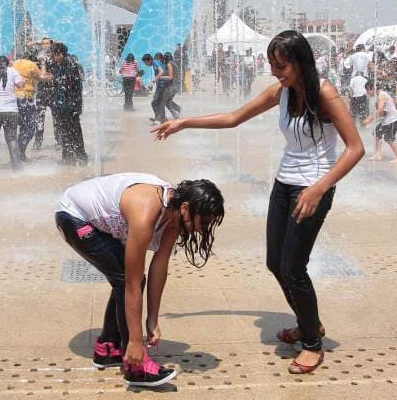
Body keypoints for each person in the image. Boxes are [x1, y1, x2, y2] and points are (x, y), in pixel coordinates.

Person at [152, 30, 365, 375]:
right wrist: (185, 122)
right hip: (284, 185)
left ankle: (312, 343)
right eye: (272, 65)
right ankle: (308, 322)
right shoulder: (281, 92)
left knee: (293, 268)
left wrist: (319, 188)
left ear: (300, 62)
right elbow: (233, 118)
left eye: (281, 66)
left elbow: (355, 148)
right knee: (274, 262)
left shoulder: (324, 93)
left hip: (313, 189)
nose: (275, 72)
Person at [56, 173, 225, 387]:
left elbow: (159, 267)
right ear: (185, 208)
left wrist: (152, 319)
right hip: (73, 216)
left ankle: (109, 348)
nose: (202, 229)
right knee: (125, 278)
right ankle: (135, 366)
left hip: (91, 219)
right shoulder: (146, 211)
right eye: (204, 222)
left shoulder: (174, 214)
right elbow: (132, 283)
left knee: (124, 276)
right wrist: (136, 340)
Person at [48, 43, 87, 165]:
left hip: (70, 105)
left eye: (54, 55)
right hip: (62, 105)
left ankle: (81, 156)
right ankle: (68, 156)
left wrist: (76, 106)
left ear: (60, 54)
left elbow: (73, 86)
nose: (53, 57)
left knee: (74, 131)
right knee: (64, 131)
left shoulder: (71, 65)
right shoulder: (59, 64)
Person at [13, 48, 48, 161]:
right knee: (31, 126)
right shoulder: (32, 65)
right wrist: (43, 64)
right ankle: (20, 152)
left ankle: (19, 154)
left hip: (14, 99)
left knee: (22, 126)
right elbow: (43, 77)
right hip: (26, 98)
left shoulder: (15, 63)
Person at [363, 81, 397, 163]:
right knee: (377, 132)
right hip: (386, 120)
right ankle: (378, 154)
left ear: (373, 89)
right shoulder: (378, 96)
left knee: (389, 139)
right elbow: (379, 112)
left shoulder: (382, 95)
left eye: (368, 90)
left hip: (392, 119)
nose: (367, 92)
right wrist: (369, 118)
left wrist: (369, 120)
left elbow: (380, 111)